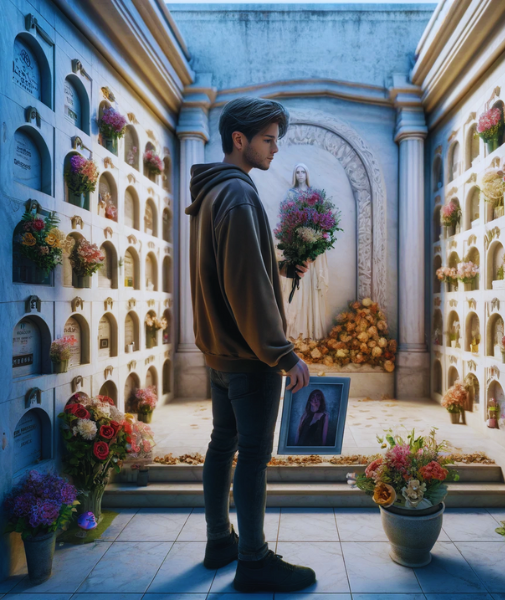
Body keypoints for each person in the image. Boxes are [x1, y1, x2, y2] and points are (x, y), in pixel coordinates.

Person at [185, 96, 316, 592]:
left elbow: (227, 267)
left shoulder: (213, 190)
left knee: (222, 447)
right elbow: (243, 284)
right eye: (267, 139)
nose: (275, 149)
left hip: (221, 351)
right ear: (239, 140)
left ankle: (220, 540)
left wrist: (281, 267)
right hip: (249, 356)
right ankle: (253, 561)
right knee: (253, 458)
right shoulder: (237, 194)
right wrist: (282, 354)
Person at [279, 163, 330, 340]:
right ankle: (294, 334)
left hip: (310, 244)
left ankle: (309, 334)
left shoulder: (314, 194)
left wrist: (317, 236)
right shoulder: (290, 194)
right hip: (295, 242)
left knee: (308, 280)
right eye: (297, 172)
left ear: (307, 174)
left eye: (303, 172)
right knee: (295, 283)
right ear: (295, 175)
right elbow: (285, 218)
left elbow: (321, 218)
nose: (300, 175)